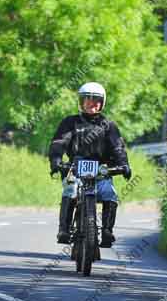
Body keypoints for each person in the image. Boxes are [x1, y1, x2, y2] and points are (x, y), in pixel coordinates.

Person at [48, 82, 131, 247]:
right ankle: (64, 229)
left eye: (96, 100)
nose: (91, 104)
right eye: (87, 100)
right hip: (75, 168)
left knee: (109, 193)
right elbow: (59, 142)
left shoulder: (109, 125)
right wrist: (56, 161)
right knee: (70, 190)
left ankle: (107, 231)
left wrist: (124, 164)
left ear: (102, 103)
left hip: (101, 170)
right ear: (81, 102)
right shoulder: (69, 122)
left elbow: (118, 147)